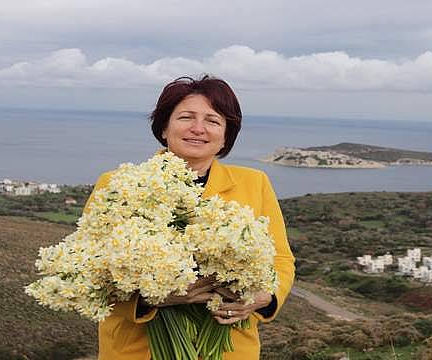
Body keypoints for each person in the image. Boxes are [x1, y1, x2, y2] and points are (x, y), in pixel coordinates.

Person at [83, 75, 295, 360]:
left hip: (230, 349)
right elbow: (88, 270)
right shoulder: (116, 184)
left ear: (225, 137)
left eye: (213, 120)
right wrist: (150, 299)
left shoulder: (254, 183)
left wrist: (264, 298)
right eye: (186, 117)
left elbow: (280, 259)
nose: (198, 129)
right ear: (164, 128)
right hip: (136, 350)